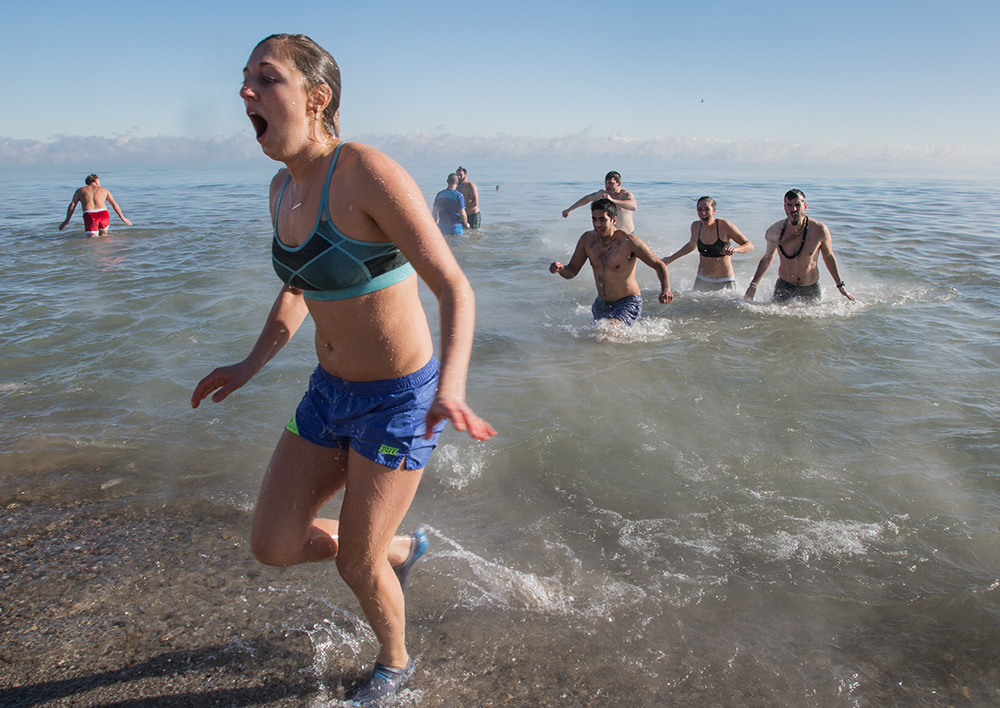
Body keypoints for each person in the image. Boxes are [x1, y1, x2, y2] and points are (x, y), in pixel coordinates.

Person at [190, 34, 495, 706]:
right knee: (272, 543)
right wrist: (248, 364)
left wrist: (451, 387)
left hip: (399, 399)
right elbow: (298, 286)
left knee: (354, 563)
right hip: (328, 394)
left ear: (317, 96)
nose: (246, 92)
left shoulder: (361, 170)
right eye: (244, 79)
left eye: (265, 79)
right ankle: (401, 549)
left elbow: (453, 286)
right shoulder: (280, 189)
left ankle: (394, 663)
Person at [549, 198, 672, 330]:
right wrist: (561, 269)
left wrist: (666, 289)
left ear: (614, 220)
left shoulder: (628, 241)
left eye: (602, 219)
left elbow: (659, 264)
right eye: (594, 219)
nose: (597, 224)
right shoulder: (587, 240)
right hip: (601, 304)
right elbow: (572, 271)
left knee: (606, 336)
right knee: (595, 339)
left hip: (627, 303)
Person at [744, 189, 855, 303]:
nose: (794, 209)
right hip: (784, 286)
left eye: (797, 205)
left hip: (810, 287)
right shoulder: (775, 231)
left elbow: (829, 257)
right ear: (785, 207)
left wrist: (840, 285)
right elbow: (767, 258)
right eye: (790, 205)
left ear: (805, 207)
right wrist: (753, 285)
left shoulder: (819, 230)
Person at [662, 197, 754, 291]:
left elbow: (749, 245)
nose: (703, 213)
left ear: (714, 211)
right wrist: (670, 259)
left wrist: (735, 249)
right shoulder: (696, 226)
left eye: (707, 209)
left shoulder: (725, 226)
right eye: (700, 210)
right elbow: (691, 245)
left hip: (725, 280)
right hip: (702, 279)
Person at [561, 171, 637, 233]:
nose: (607, 186)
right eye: (606, 183)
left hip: (627, 233)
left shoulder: (625, 194)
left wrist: (613, 201)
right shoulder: (603, 193)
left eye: (610, 183)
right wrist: (569, 209)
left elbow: (633, 206)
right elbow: (587, 199)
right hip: (610, 233)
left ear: (619, 183)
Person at [58, 173, 131, 236]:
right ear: (96, 181)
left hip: (90, 215)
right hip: (103, 214)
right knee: (104, 237)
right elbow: (115, 204)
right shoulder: (104, 190)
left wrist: (66, 221)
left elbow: (72, 205)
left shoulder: (80, 191)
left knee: (92, 239)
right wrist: (122, 218)